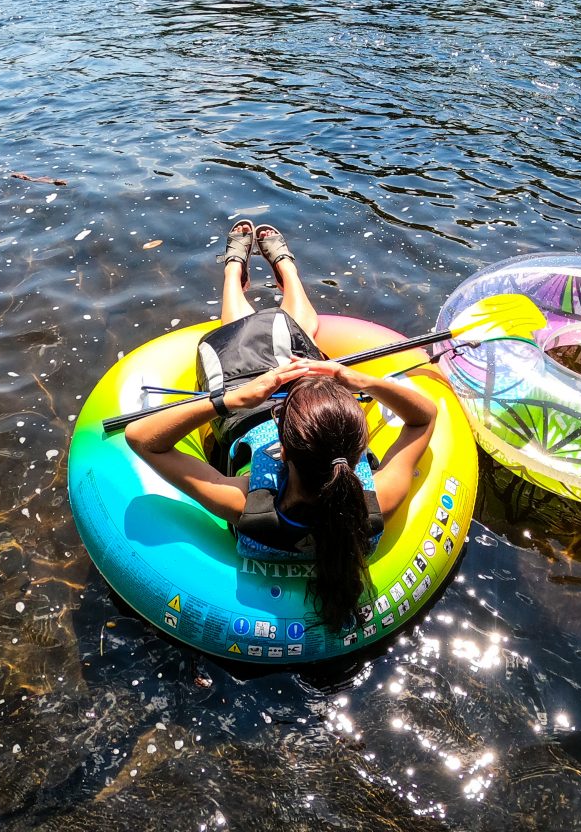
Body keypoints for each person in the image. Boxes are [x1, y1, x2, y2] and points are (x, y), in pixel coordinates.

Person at [125, 220, 437, 628]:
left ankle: (233, 270)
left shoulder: (247, 502)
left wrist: (229, 400)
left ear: (284, 450)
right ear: (360, 449)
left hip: (245, 411)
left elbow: (143, 440)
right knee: (292, 340)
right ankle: (286, 268)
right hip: (304, 419)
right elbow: (425, 417)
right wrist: (360, 379)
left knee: (240, 338)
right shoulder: (377, 500)